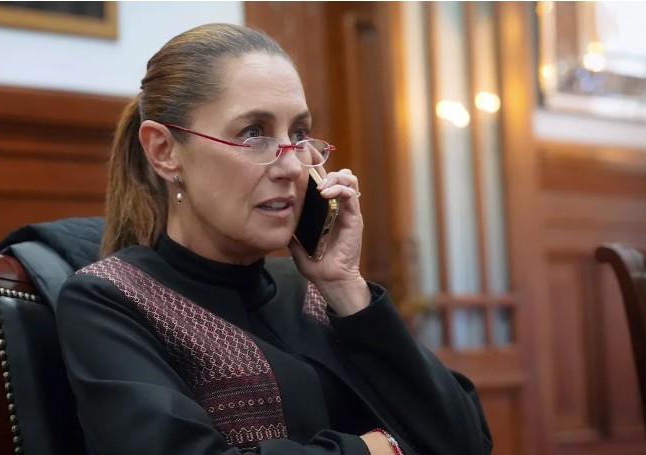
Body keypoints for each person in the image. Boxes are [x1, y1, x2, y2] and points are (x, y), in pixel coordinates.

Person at [56, 23, 492, 455]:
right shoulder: (110, 300)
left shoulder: (316, 291)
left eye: (299, 135)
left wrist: (345, 286)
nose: (292, 166)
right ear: (164, 151)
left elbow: (466, 441)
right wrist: (374, 451)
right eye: (254, 133)